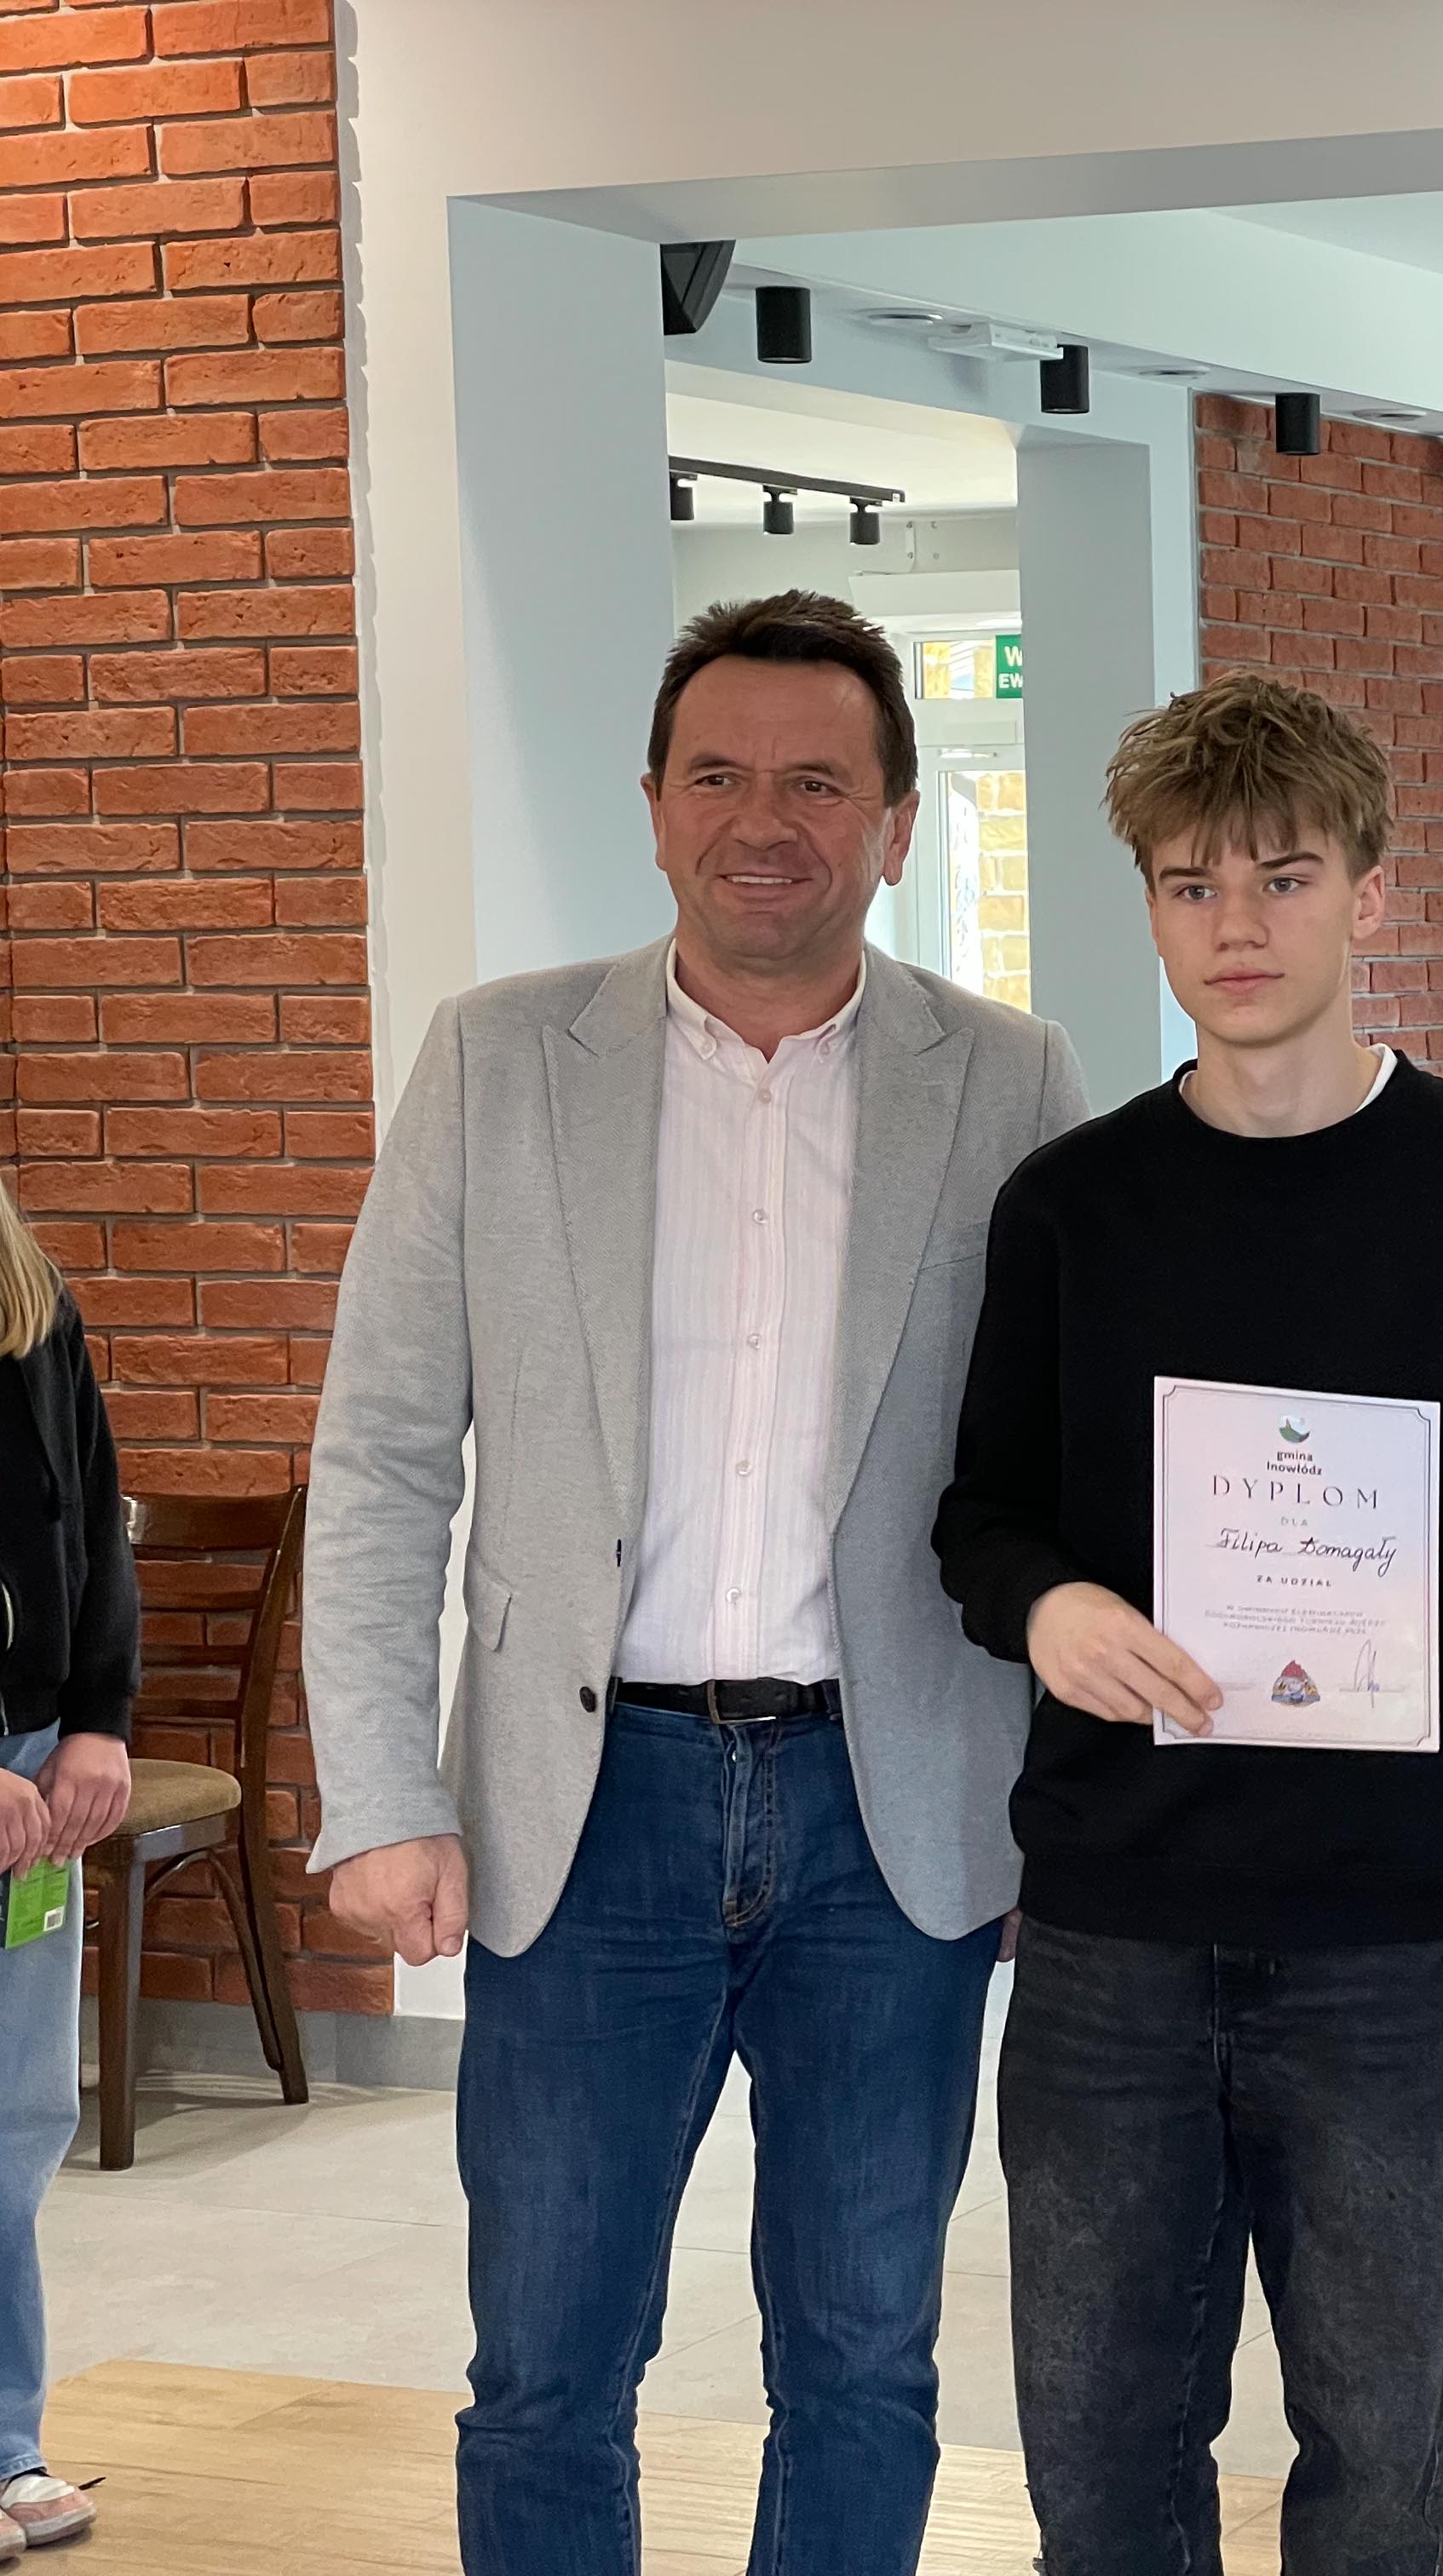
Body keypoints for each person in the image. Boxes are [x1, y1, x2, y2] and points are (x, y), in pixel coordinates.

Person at [304, 591, 1089, 2576]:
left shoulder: (1009, 1081)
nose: (766, 821)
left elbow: (1068, 1468)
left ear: (896, 825)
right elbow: (382, 1452)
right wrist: (381, 1793)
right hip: (587, 1814)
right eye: (720, 775)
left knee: (866, 2361)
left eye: (819, 783)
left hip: (890, 1817)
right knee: (548, 2367)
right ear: (653, 805)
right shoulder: (497, 1063)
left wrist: (1067, 1804)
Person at [934, 670, 1443, 2576]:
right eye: (1191, 886)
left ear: (1369, 890)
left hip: (1396, 1951)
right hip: (1110, 1937)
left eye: (1281, 878)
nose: (1237, 926)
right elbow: (980, 1516)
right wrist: (1048, 1603)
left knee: (1376, 2465)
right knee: (1100, 2466)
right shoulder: (1073, 1205)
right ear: (1149, 906)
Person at [0, 1183, 135, 2559]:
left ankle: (5, 2439)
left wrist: (99, 1717)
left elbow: (93, 1513)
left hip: (34, 1768)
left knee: (17, 2114)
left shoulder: (30, 1297)